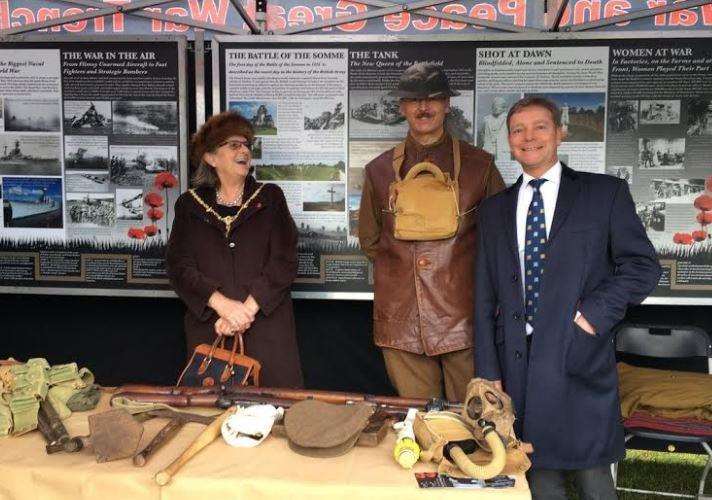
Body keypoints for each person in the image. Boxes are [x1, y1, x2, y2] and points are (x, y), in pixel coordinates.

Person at [474, 97, 661, 499]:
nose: (529, 137)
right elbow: (485, 293)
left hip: (578, 353)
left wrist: (592, 315)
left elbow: (643, 267)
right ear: (508, 142)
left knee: (594, 477)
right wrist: (488, 367)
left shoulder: (603, 194)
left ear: (560, 132)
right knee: (538, 474)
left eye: (540, 127)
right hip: (517, 360)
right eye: (518, 130)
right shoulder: (493, 211)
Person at [358, 63, 504, 402]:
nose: (424, 107)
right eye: (414, 100)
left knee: (472, 419)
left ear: (447, 104)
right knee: (421, 420)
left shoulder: (480, 166)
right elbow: (370, 239)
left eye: (434, 98)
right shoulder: (379, 171)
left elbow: (500, 241)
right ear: (402, 107)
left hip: (464, 319)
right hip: (401, 320)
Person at [166, 111, 303, 388]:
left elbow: (284, 261)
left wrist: (244, 313)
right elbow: (179, 267)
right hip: (211, 329)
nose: (244, 151)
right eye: (233, 145)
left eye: (246, 145)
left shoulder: (270, 197)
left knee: (275, 413)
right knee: (211, 413)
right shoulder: (189, 205)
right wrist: (223, 306)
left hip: (266, 328)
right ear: (210, 157)